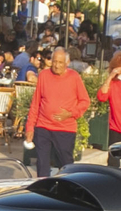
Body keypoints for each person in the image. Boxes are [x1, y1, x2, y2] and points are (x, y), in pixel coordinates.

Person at [25, 46, 89, 177]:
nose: (56, 65)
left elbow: (85, 101)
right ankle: (42, 190)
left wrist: (71, 113)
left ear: (67, 63)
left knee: (66, 165)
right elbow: (35, 103)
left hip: (65, 129)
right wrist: (30, 127)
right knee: (42, 163)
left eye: (60, 62)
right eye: (54, 61)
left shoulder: (74, 77)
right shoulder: (43, 75)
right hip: (43, 126)